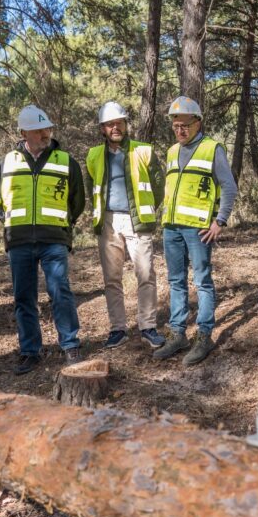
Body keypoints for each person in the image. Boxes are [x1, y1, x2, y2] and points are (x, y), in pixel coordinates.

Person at [0, 105, 85, 374]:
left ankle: (70, 345)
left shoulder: (66, 161)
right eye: (40, 129)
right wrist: (12, 224)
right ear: (24, 133)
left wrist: (63, 224)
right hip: (19, 240)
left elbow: (76, 201)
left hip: (53, 238)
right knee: (24, 297)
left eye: (48, 128)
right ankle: (30, 351)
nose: (46, 133)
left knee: (61, 292)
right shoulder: (6, 162)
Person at [152, 96, 238, 365]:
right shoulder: (171, 151)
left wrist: (220, 221)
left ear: (198, 122)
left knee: (202, 281)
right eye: (175, 125)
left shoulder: (212, 149)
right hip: (172, 227)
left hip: (199, 229)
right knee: (176, 281)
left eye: (184, 125)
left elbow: (229, 187)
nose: (179, 130)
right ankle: (177, 334)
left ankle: (204, 336)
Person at [85, 101, 166, 349]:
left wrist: (147, 210)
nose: (115, 127)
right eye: (110, 124)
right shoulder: (94, 155)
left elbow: (159, 186)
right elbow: (92, 190)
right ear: (103, 129)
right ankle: (118, 329)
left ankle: (148, 326)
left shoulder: (143, 151)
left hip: (137, 221)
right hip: (108, 222)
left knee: (145, 273)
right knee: (112, 278)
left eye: (119, 122)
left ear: (125, 124)